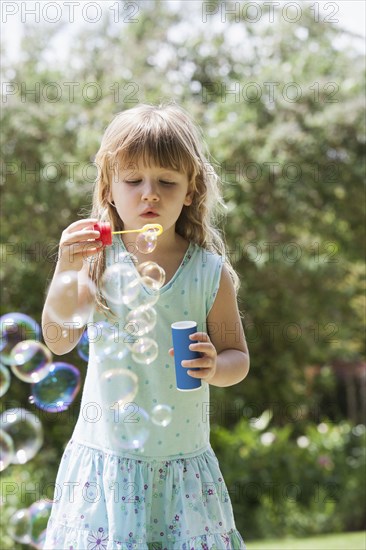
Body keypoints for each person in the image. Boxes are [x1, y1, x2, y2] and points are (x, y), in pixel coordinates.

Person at [42, 102, 250, 550]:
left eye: (166, 182)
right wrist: (63, 269)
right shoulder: (96, 264)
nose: (149, 194)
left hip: (182, 470)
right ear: (109, 189)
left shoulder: (209, 273)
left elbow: (238, 359)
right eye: (133, 181)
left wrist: (216, 366)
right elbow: (58, 341)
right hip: (107, 465)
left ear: (191, 190)